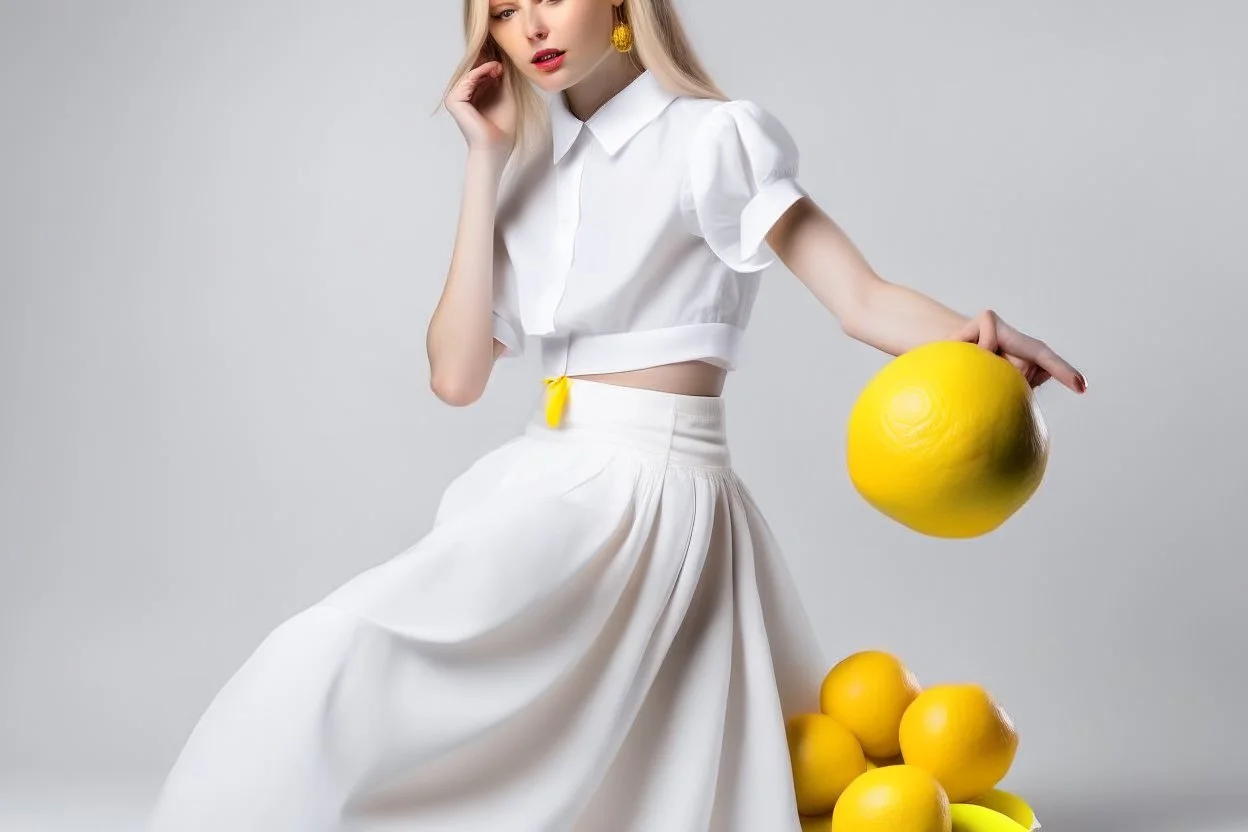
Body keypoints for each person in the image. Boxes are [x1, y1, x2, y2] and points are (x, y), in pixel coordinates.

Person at [147, 1, 1086, 830]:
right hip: (545, 479)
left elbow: (861, 298)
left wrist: (979, 339)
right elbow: (457, 376)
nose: (533, 28)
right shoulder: (529, 175)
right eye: (506, 12)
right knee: (339, 648)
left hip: (658, 500)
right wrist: (484, 162)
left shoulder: (716, 138)